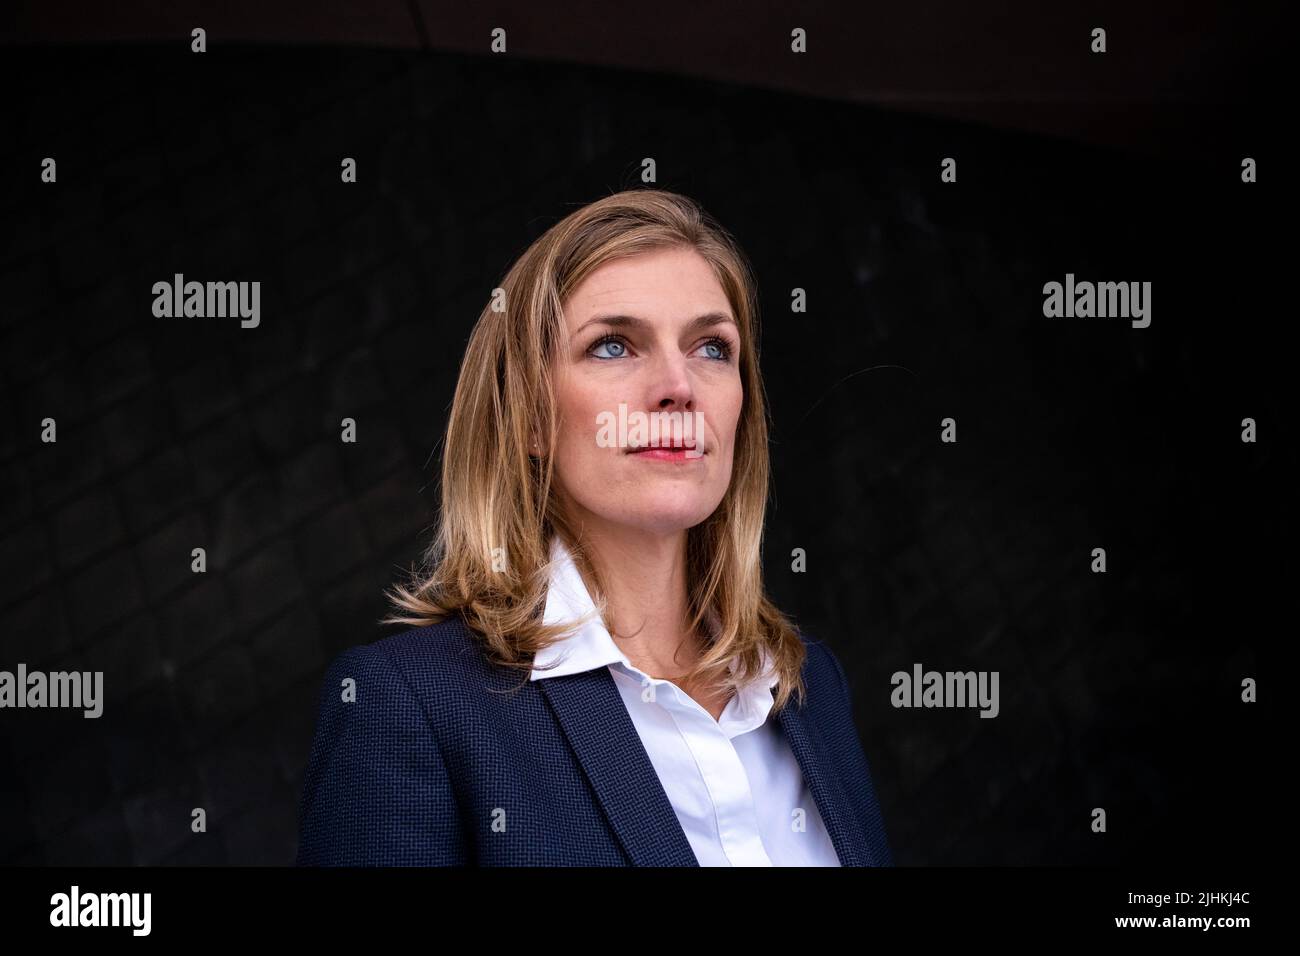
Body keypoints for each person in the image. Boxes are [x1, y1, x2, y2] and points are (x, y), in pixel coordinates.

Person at [295, 188, 894, 866]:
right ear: (528, 416)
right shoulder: (409, 707)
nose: (679, 385)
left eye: (711, 347)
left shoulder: (809, 685)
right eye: (614, 346)